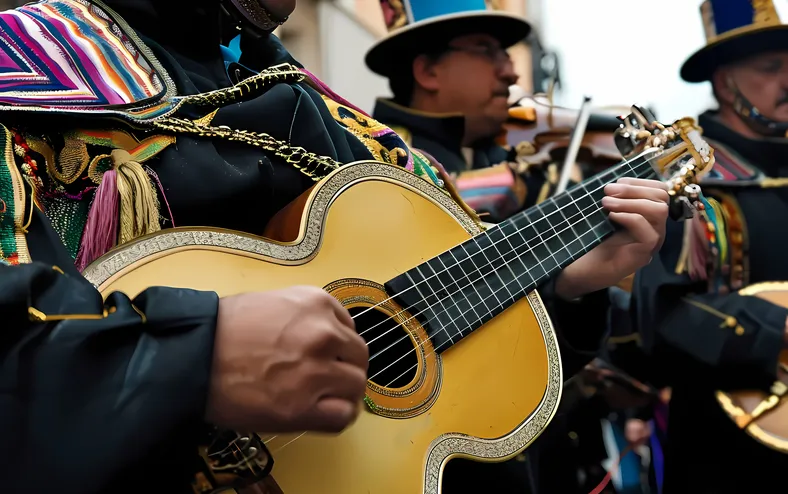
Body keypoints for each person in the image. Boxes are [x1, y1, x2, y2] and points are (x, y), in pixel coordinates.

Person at [0, 0, 669, 493]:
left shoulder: (341, 121)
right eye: (483, 51)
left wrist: (560, 285)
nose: (505, 73)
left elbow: (438, 364)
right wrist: (187, 362)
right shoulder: (23, 71)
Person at [364, 2, 633, 492]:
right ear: (427, 70)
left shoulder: (524, 170)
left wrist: (578, 286)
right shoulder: (372, 160)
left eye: (506, 54)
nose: (511, 71)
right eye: (488, 52)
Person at [629, 0, 788, 491]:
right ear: (724, 84)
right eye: (770, 68)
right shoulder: (685, 181)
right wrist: (776, 329)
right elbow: (662, 319)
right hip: (728, 451)